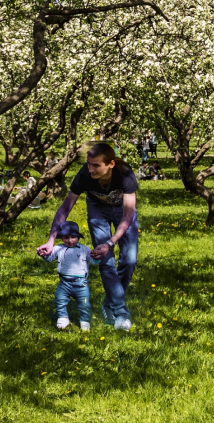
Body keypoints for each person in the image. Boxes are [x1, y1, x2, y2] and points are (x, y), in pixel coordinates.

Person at [39, 142, 139, 331]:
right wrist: (51, 240)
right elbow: (65, 208)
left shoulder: (125, 173)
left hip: (122, 212)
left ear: (110, 164)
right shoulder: (85, 174)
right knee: (106, 262)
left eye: (95, 165)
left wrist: (110, 242)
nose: (90, 169)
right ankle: (121, 313)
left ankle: (109, 304)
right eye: (88, 164)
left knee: (129, 260)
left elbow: (128, 215)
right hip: (97, 210)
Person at [38, 221, 102, 330]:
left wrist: (97, 256)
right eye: (66, 237)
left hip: (81, 283)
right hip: (64, 282)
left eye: (73, 237)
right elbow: (50, 258)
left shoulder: (84, 249)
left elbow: (93, 261)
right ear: (62, 238)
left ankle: (84, 321)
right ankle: (63, 317)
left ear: (78, 237)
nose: (70, 240)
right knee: (60, 299)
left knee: (84, 303)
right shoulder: (59, 248)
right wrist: (44, 255)